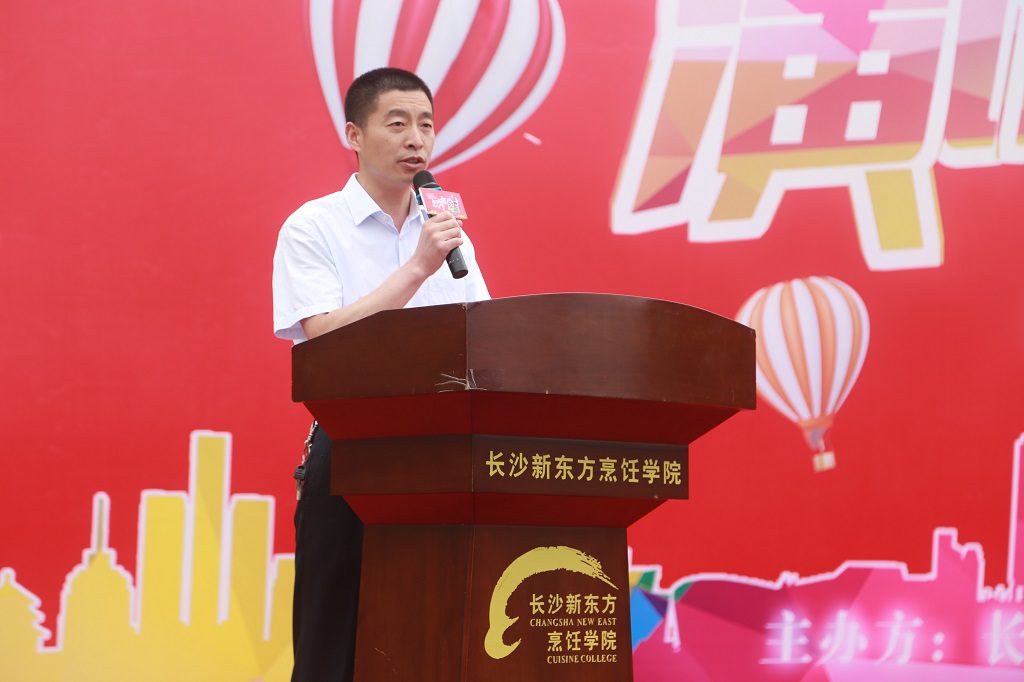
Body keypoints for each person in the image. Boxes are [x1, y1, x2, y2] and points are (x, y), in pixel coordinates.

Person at [271, 67, 490, 681]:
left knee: (431, 634)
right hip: (353, 446)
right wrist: (416, 268)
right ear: (354, 135)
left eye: (426, 124)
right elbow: (325, 337)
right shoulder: (313, 226)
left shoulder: (445, 233)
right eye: (397, 123)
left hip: (443, 451)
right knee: (334, 639)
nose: (415, 138)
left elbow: (484, 335)